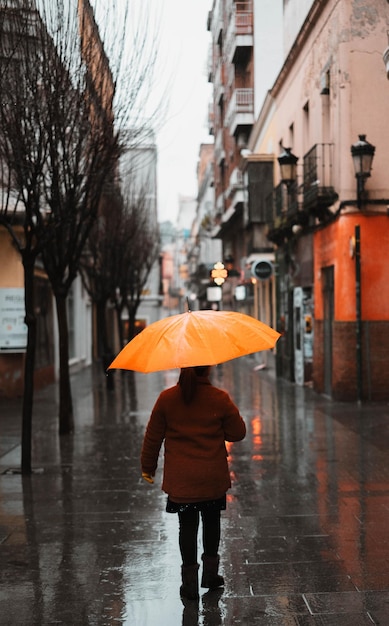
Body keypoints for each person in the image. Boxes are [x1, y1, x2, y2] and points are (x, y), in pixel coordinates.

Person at [141, 365, 246, 601]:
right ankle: (210, 576)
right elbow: (237, 433)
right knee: (211, 523)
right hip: (211, 478)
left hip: (182, 482)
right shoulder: (219, 398)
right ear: (207, 369)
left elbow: (152, 438)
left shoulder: (166, 400)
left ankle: (188, 584)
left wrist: (148, 468)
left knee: (186, 526)